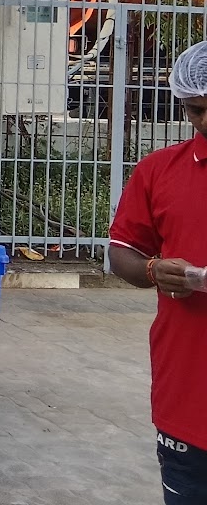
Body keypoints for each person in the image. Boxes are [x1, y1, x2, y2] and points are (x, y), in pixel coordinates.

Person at [108, 40, 207, 503]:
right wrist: (152, 270)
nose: (204, 121)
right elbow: (121, 253)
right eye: (195, 110)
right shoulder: (159, 171)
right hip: (187, 394)